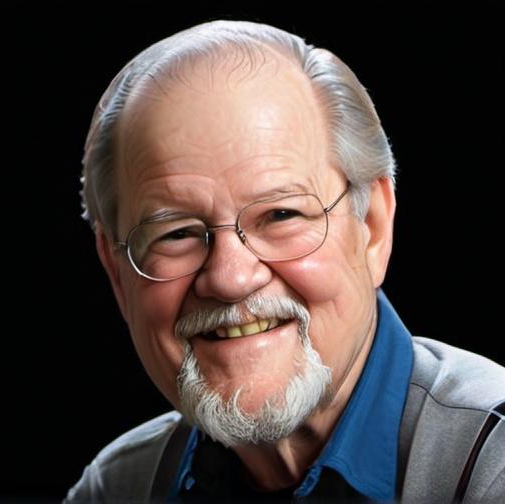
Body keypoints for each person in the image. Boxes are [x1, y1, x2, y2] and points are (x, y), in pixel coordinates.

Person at [65, 19, 504, 503]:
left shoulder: (493, 465)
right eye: (177, 233)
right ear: (115, 272)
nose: (230, 278)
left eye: (280, 215)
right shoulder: (116, 489)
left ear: (372, 227)